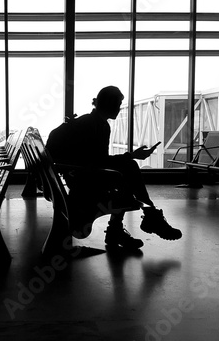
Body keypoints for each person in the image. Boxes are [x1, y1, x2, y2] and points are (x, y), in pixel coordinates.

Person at [46, 85, 182, 250]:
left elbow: (97, 161)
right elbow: (99, 162)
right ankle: (144, 219)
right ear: (109, 105)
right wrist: (131, 156)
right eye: (117, 104)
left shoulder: (89, 122)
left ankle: (143, 219)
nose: (119, 108)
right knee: (126, 173)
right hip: (81, 180)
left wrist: (130, 157)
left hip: (72, 175)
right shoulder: (98, 126)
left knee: (125, 172)